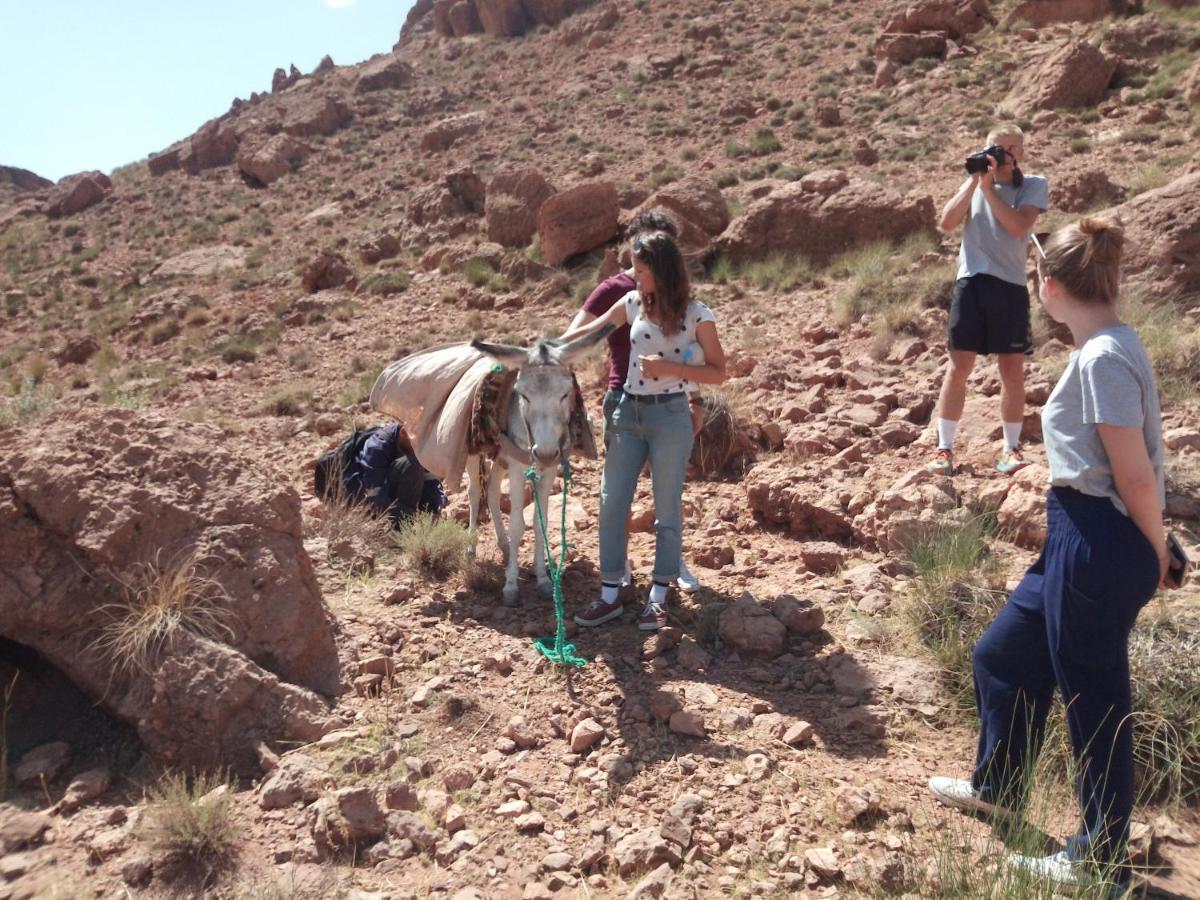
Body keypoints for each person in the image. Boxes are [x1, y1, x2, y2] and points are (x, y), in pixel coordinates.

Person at [928, 218, 1174, 897]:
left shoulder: (1101, 358)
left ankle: (1100, 861)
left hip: (1099, 539)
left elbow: (1136, 474)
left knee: (1095, 703)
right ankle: (998, 787)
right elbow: (1140, 464)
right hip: (1079, 534)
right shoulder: (1110, 345)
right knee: (1002, 657)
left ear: (1051, 286)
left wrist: (1157, 549)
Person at [560, 230, 726, 631]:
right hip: (625, 414)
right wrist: (542, 355)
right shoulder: (631, 302)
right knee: (611, 503)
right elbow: (589, 335)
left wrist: (671, 371)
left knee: (666, 509)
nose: (632, 272)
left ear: (660, 269)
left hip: (670, 417)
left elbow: (719, 371)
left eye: (640, 266)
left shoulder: (697, 315)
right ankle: (610, 594)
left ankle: (657, 596)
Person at [929, 124, 1049, 476]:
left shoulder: (1033, 185)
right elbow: (947, 222)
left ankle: (1011, 449)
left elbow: (1017, 226)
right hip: (972, 282)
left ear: (1022, 152)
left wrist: (990, 190)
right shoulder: (976, 185)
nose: (1005, 155)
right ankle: (943, 448)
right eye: (997, 148)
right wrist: (974, 181)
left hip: (1010, 286)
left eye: (1012, 148)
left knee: (1011, 370)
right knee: (959, 366)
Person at [343, 423, 446, 526]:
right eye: (416, 443)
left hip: (390, 497)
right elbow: (374, 492)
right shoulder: (377, 446)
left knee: (418, 464)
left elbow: (430, 479)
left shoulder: (416, 448)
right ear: (403, 433)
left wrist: (438, 503)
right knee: (412, 464)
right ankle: (400, 527)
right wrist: (407, 516)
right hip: (367, 499)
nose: (419, 447)